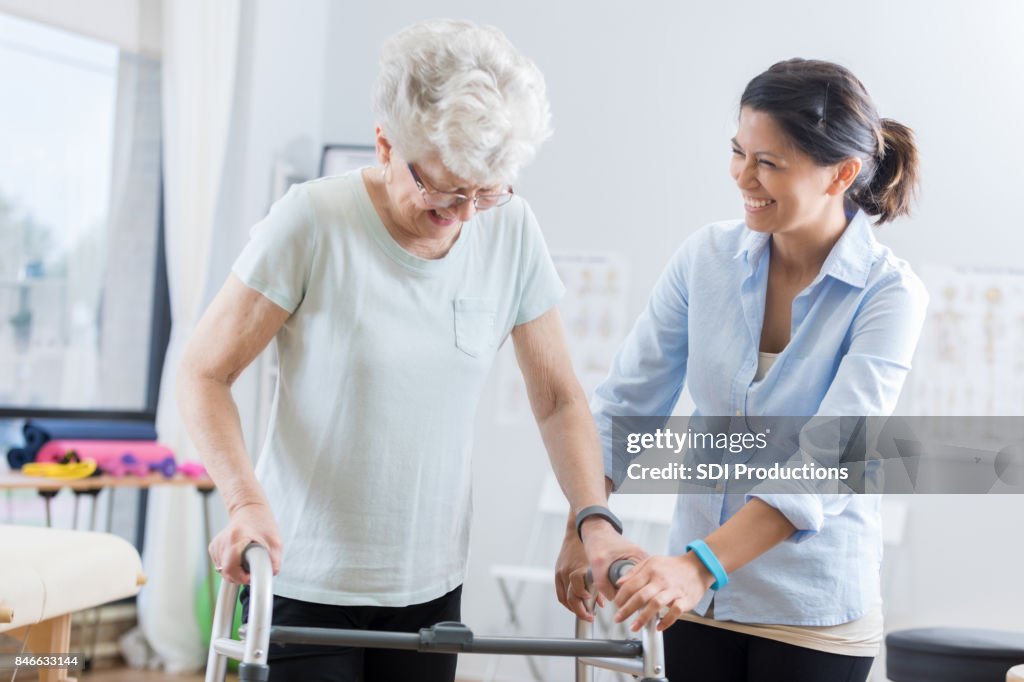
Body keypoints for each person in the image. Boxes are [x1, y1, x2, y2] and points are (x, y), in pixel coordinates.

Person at [178, 19, 642, 682]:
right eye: (444, 189)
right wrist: (245, 502)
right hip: (305, 575)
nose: (463, 214)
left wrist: (591, 517)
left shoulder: (508, 228)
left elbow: (559, 398)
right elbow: (204, 371)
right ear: (386, 143)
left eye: (484, 192)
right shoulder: (312, 221)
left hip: (430, 584)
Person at [556, 59, 928, 682]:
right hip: (698, 607)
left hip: (809, 614)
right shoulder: (706, 259)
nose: (743, 178)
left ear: (842, 173)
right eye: (738, 153)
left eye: (769, 163)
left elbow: (828, 461)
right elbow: (625, 407)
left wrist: (698, 564)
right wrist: (589, 519)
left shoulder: (887, 294)